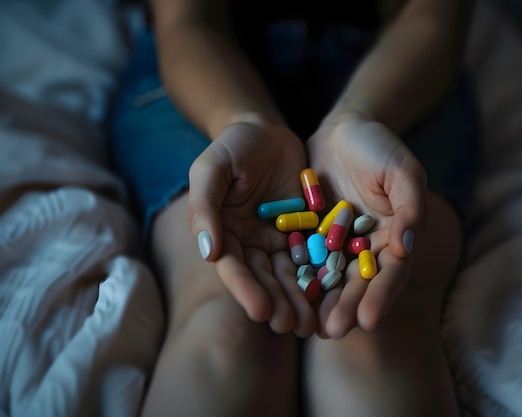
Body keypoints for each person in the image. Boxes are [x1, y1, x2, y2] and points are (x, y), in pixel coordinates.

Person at [109, 0, 480, 415]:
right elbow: (187, 21)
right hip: (209, 74)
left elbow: (433, 15)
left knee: (377, 328)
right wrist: (246, 121)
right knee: (226, 322)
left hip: (397, 76)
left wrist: (359, 116)